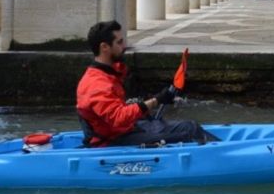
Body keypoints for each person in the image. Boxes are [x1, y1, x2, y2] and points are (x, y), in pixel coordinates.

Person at [76, 20, 216, 147]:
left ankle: (222, 148)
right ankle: (224, 156)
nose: (124, 46)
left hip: (125, 130)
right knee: (189, 132)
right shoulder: (97, 83)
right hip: (113, 140)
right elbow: (119, 118)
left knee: (189, 126)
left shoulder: (108, 74)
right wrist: (156, 101)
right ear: (104, 47)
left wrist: (155, 99)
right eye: (119, 42)